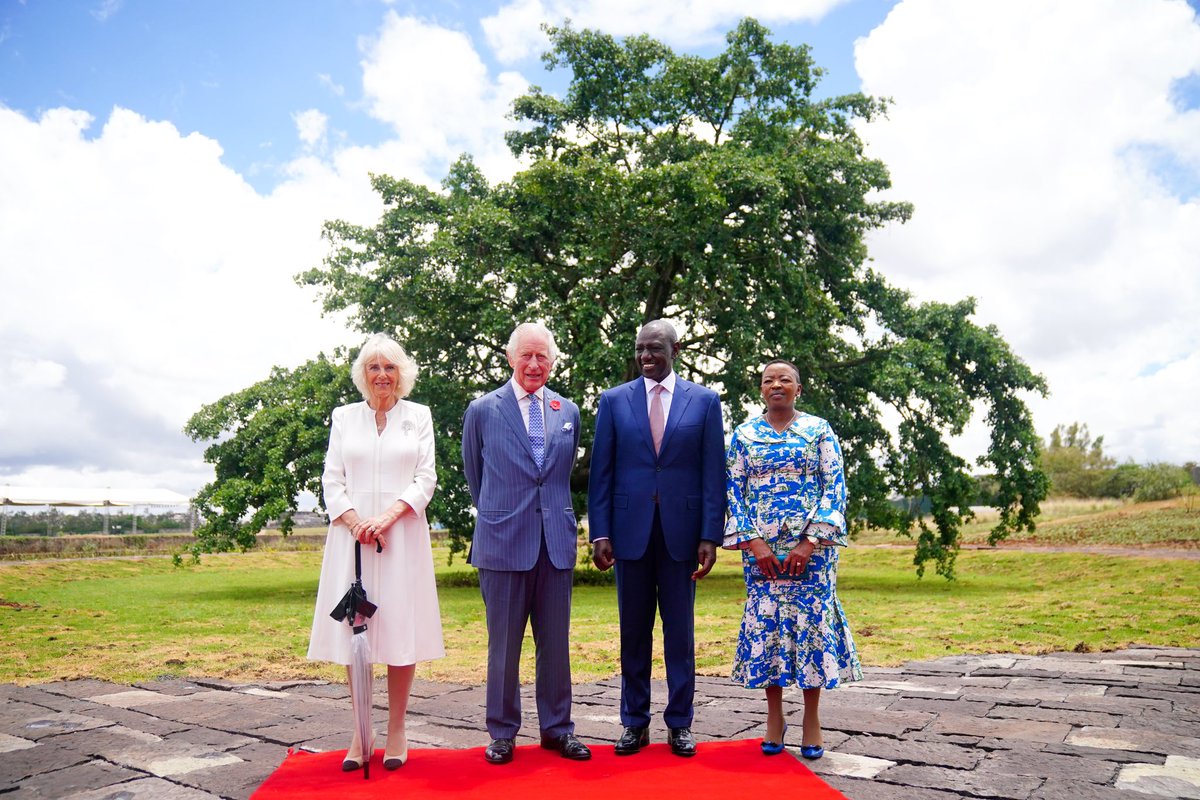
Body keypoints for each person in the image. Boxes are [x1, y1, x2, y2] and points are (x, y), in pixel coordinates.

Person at [588, 319, 725, 758]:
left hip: (682, 538)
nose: (646, 357)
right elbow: (601, 473)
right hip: (628, 535)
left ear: (675, 350)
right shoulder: (612, 401)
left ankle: (680, 724)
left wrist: (710, 534)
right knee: (633, 633)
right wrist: (601, 531)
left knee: (680, 637)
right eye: (640, 350)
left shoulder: (704, 402)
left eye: (655, 349)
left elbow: (712, 473)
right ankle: (634, 723)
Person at [308, 333, 444, 771]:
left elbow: (425, 478)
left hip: (401, 538)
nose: (382, 375)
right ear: (362, 375)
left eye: (389, 367)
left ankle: (397, 730)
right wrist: (355, 522)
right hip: (352, 541)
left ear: (401, 373)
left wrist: (385, 518)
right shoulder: (344, 417)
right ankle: (360, 730)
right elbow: (332, 479)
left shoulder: (418, 416)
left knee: (400, 630)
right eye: (373, 367)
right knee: (356, 633)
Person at [461, 322, 591, 765]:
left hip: (554, 543)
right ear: (510, 357)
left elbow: (555, 477)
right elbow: (475, 478)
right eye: (526, 356)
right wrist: (502, 515)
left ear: (552, 362)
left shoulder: (567, 410)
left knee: (555, 644)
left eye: (543, 357)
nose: (534, 365)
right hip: (502, 543)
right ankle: (502, 732)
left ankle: (557, 730)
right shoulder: (482, 409)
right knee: (504, 646)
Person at [723, 358, 862, 759]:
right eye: (769, 380)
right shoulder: (745, 434)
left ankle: (812, 719)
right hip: (761, 553)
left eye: (785, 379)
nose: (777, 385)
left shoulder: (819, 430)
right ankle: (773, 717)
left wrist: (810, 542)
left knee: (811, 628)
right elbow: (732, 489)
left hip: (813, 553)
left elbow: (835, 485)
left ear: (798, 389)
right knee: (769, 626)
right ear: (761, 390)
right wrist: (754, 542)